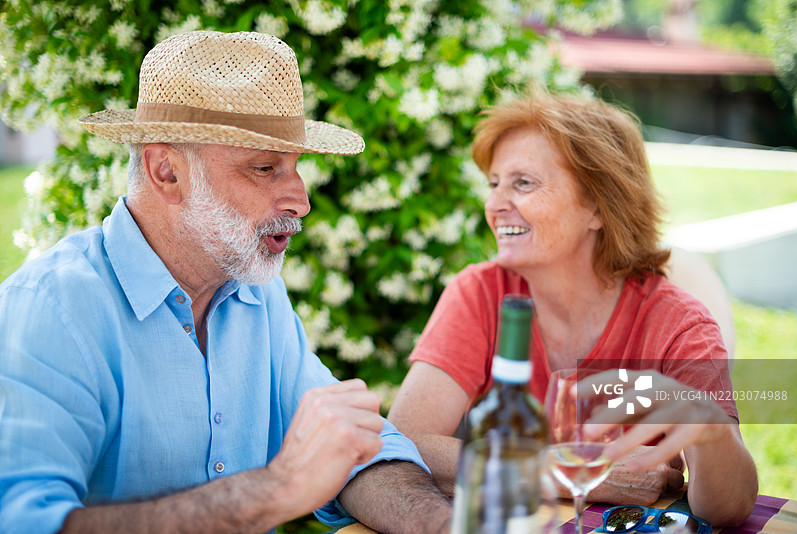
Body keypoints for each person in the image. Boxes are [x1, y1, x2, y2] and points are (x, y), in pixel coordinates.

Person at [0, 30, 452, 534]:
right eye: (264, 168)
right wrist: (272, 491)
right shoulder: (51, 309)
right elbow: (23, 523)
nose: (300, 201)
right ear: (166, 171)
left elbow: (363, 451)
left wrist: (439, 524)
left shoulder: (251, 290)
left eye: (295, 168)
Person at [387, 89, 758, 526]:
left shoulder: (679, 324)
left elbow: (730, 508)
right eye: (494, 183)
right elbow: (404, 441)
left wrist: (703, 425)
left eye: (523, 182)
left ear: (597, 207)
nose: (494, 204)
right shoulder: (481, 293)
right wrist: (577, 472)